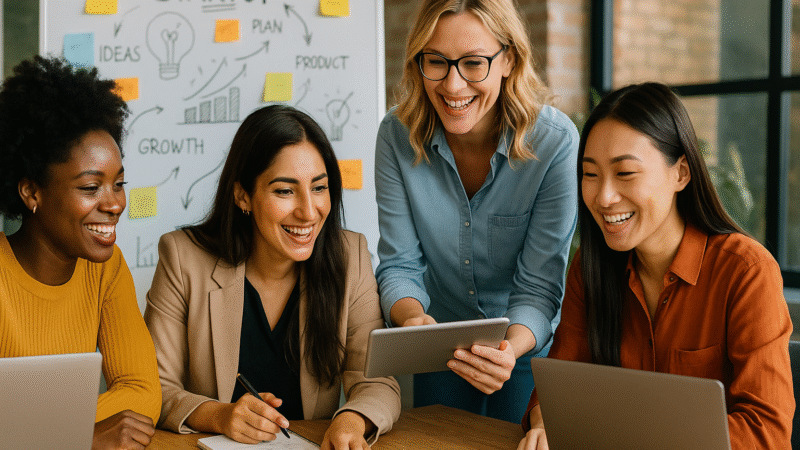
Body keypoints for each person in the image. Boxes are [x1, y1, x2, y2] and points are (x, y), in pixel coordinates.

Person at [518, 82, 794, 450]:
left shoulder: (746, 271)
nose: (603, 196)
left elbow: (767, 432)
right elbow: (556, 390)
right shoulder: (591, 267)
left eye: (625, 173)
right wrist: (545, 424)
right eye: (590, 173)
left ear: (681, 173)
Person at [144, 105, 401, 449]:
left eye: (319, 188)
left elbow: (377, 380)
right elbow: (153, 387)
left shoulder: (349, 256)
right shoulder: (183, 257)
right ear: (242, 196)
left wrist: (350, 420)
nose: (308, 212)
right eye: (284, 191)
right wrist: (219, 415)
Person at [374, 0, 578, 422]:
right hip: (438, 346)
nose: (452, 85)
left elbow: (540, 287)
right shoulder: (396, 137)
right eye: (437, 61)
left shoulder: (555, 143)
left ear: (508, 60)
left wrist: (508, 350)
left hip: (521, 347)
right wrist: (414, 321)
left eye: (472, 63)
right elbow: (399, 265)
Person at [0, 56, 162, 450]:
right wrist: (75, 438)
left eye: (118, 184)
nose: (115, 204)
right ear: (32, 192)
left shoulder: (106, 269)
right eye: (91, 188)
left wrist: (37, 434)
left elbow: (142, 392)